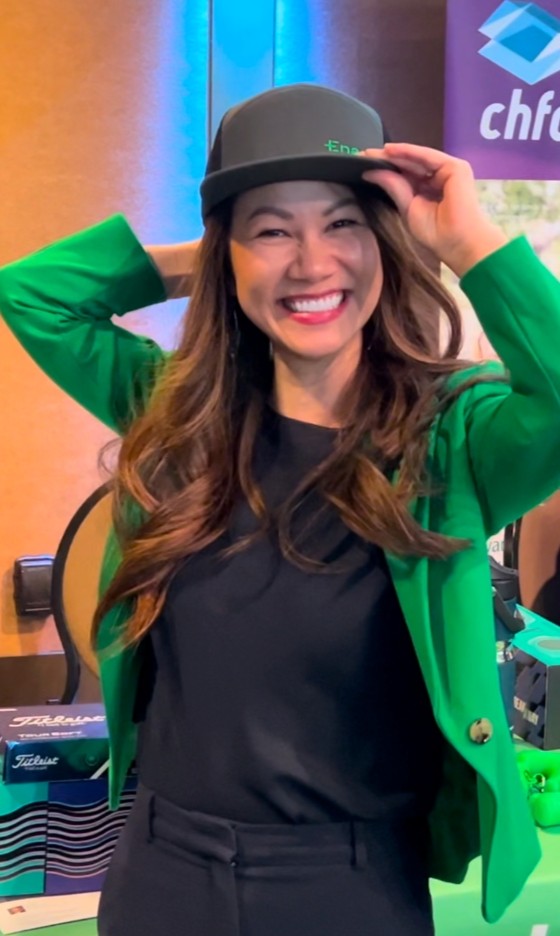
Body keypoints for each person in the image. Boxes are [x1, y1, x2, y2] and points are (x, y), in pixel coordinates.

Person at [1, 83, 560, 936]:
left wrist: (471, 239)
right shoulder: (174, 413)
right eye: (273, 229)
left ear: (388, 241)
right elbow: (30, 294)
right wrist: (212, 251)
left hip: (354, 881)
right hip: (164, 870)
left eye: (343, 224)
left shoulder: (453, 437)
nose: (311, 263)